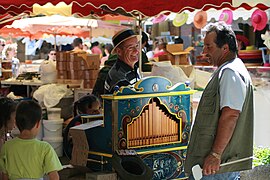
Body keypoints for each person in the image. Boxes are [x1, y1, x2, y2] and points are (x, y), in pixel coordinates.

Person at [185, 22, 254, 179]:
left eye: (209, 47)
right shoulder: (229, 69)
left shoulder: (230, 72)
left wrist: (215, 154)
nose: (204, 51)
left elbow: (231, 115)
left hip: (218, 167)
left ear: (225, 48)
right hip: (217, 166)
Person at [0, 100, 62, 179]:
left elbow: (5, 177)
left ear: (16, 123)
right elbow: (54, 177)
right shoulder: (45, 148)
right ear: (38, 124)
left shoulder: (7, 147)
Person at [63, 94, 101, 159]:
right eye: (94, 111)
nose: (99, 113)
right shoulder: (78, 125)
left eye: (99, 109)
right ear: (83, 112)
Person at [104, 29, 141, 94]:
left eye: (137, 46)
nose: (136, 51)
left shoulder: (133, 68)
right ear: (119, 51)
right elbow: (131, 100)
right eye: (130, 47)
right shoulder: (118, 75)